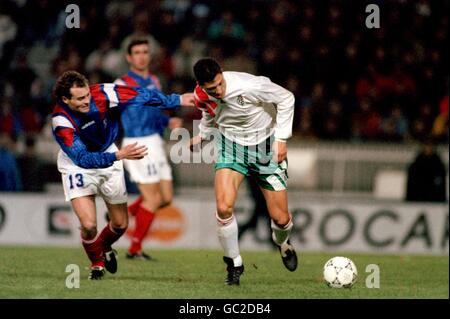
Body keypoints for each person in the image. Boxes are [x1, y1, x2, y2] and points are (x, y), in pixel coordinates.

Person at [51, 70, 193, 280]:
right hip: (77, 165)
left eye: (87, 95)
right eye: (80, 99)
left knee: (120, 225)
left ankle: (105, 246)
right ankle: (97, 264)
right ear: (65, 99)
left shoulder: (103, 93)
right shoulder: (61, 121)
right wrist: (119, 155)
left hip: (109, 153)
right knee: (89, 225)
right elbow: (82, 158)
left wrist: (177, 99)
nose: (86, 101)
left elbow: (140, 95)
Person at [189, 58, 298, 286]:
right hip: (231, 146)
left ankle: (283, 243)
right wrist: (203, 134)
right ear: (200, 85)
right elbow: (209, 113)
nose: (217, 91)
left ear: (222, 73)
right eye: (211, 88)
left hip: (265, 145)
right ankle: (234, 263)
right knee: (223, 207)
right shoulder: (200, 94)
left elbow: (287, 98)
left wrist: (281, 139)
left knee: (281, 218)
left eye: (220, 84)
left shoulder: (250, 85)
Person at [114, 38, 183, 260]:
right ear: (129, 57)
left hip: (155, 140)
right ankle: (134, 249)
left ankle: (124, 212)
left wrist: (166, 122)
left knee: (166, 198)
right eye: (137, 52)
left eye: (145, 51)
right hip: (138, 143)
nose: (142, 56)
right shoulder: (122, 83)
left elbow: (154, 112)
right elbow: (113, 113)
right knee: (152, 200)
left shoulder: (154, 79)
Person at [406, 138, 447, 202]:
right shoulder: (416, 164)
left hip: (434, 200)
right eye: (426, 145)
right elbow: (410, 184)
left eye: (431, 145)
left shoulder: (438, 164)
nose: (428, 148)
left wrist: (441, 200)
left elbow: (442, 185)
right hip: (417, 199)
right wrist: (409, 200)